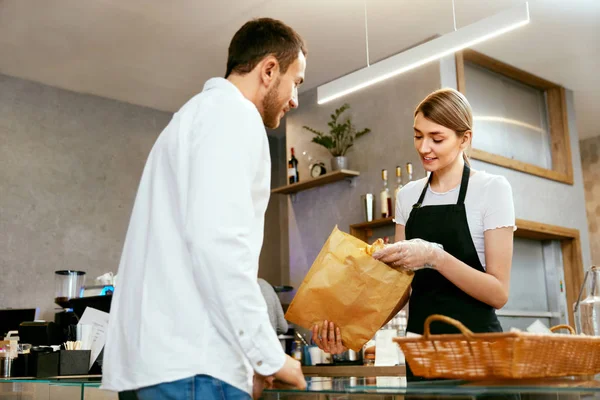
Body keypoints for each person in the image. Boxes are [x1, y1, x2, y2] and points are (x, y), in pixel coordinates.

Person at [102, 18, 308, 400]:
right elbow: (219, 244)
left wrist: (247, 357)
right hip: (194, 368)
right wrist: (267, 356)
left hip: (162, 366)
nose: (295, 99)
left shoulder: (192, 118)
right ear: (268, 70)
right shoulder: (234, 117)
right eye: (296, 82)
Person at [312, 88, 516, 382]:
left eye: (437, 138)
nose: (424, 147)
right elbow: (399, 288)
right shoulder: (408, 196)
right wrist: (354, 332)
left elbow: (498, 293)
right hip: (421, 354)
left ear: (465, 139)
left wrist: (435, 256)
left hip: (478, 351)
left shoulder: (492, 189)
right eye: (418, 136)